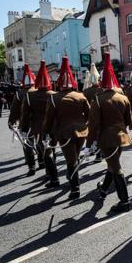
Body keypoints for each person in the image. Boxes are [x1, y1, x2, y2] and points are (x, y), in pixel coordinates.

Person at [88, 53, 132, 213]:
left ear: (101, 82)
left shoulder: (98, 99)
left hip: (107, 138)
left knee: (115, 167)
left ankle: (124, 201)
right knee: (112, 164)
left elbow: (94, 125)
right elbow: (129, 121)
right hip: (121, 136)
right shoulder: (123, 98)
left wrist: (89, 143)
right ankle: (104, 189)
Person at [42, 57, 91, 199]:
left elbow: (49, 119)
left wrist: (46, 134)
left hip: (64, 133)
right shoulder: (80, 95)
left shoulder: (54, 98)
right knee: (74, 157)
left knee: (71, 160)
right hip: (81, 131)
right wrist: (84, 124)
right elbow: (89, 114)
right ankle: (72, 177)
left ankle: (75, 188)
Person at [20, 61, 57, 185]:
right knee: (51, 150)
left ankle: (52, 176)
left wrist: (23, 129)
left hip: (39, 128)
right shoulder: (54, 95)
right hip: (54, 127)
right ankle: (50, 172)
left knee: (46, 152)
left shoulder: (30, 96)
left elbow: (25, 115)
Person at [8, 64, 37, 176]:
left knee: (27, 144)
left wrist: (11, 121)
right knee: (40, 143)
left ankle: (32, 167)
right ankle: (42, 161)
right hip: (39, 122)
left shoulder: (19, 93)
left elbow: (14, 110)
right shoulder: (38, 91)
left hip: (25, 122)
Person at [82, 63, 103, 163]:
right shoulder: (102, 90)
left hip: (91, 116)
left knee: (94, 135)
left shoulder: (86, 91)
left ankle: (98, 154)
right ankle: (101, 153)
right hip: (103, 115)